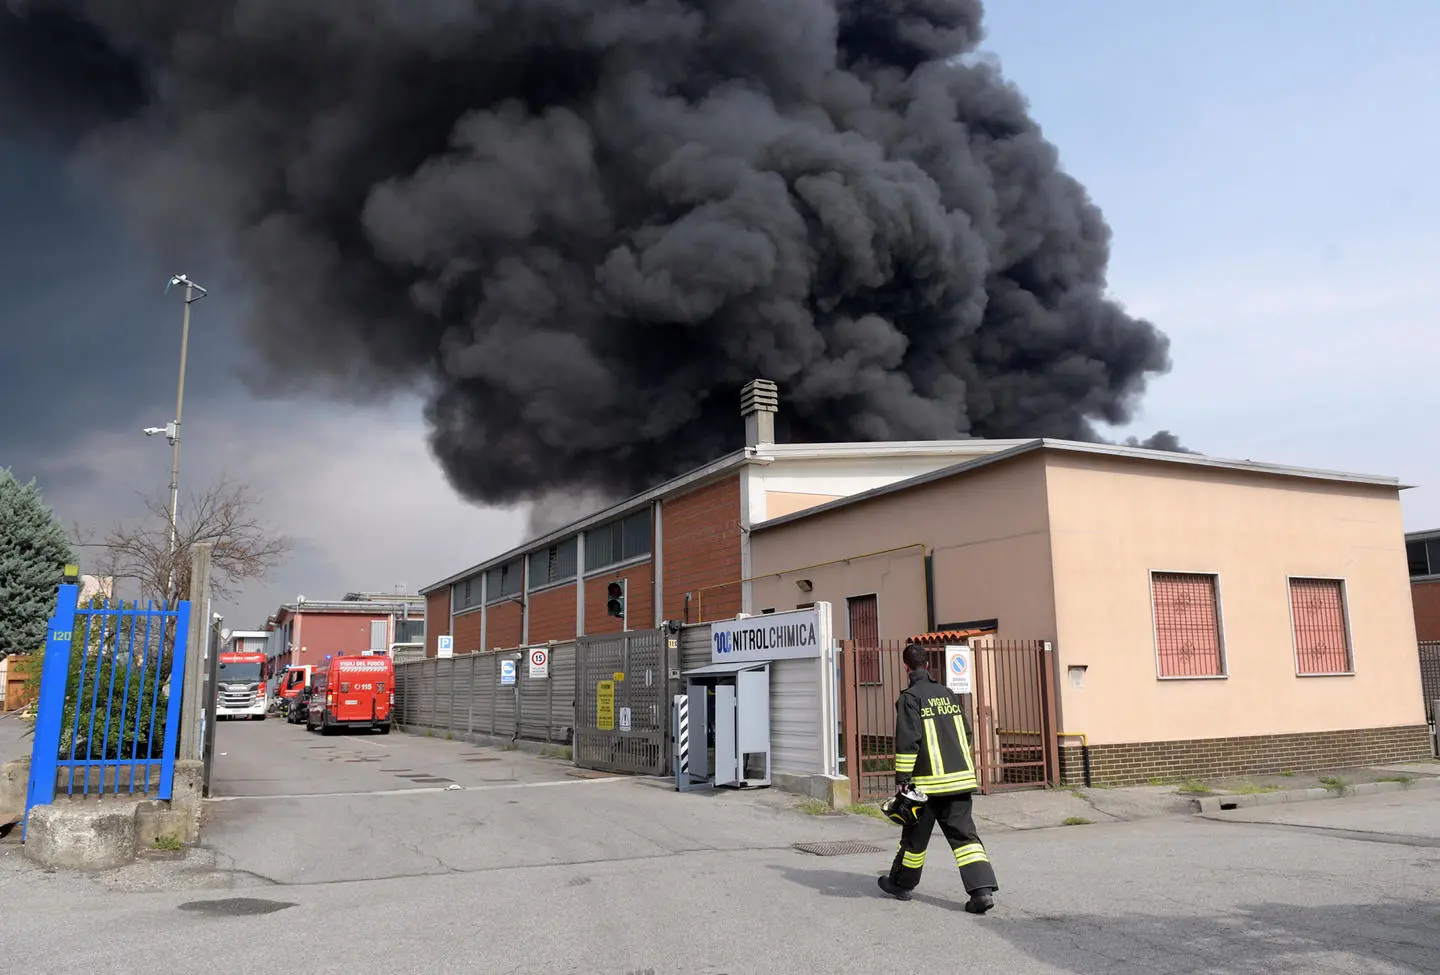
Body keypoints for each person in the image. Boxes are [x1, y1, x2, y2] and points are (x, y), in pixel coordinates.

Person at [878, 642, 998, 913]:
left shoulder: (910, 698)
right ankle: (981, 892)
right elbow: (965, 734)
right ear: (928, 665)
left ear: (906, 666)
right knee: (965, 838)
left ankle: (902, 884)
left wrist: (903, 779)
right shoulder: (948, 693)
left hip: (928, 786)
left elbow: (909, 742)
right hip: (960, 782)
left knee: (914, 840)